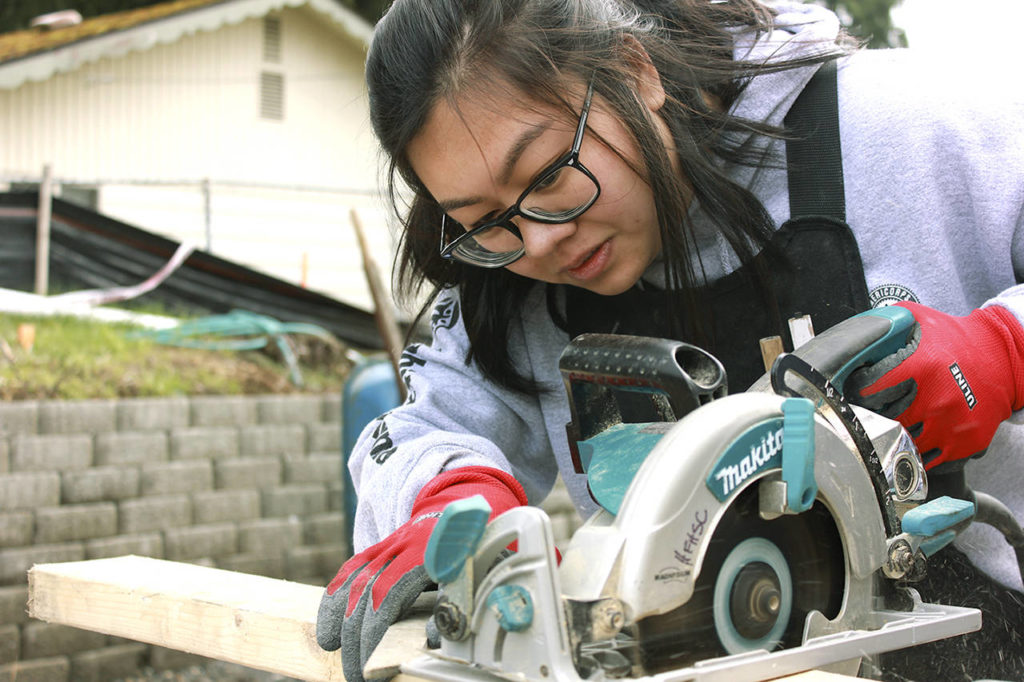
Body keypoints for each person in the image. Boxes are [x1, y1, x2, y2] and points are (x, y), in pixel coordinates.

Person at [316, 1, 1024, 680]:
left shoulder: (912, 127)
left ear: (636, 70)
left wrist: (1006, 346)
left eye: (551, 174)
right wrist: (448, 492)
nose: (538, 239)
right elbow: (414, 431)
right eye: (484, 218)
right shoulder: (506, 276)